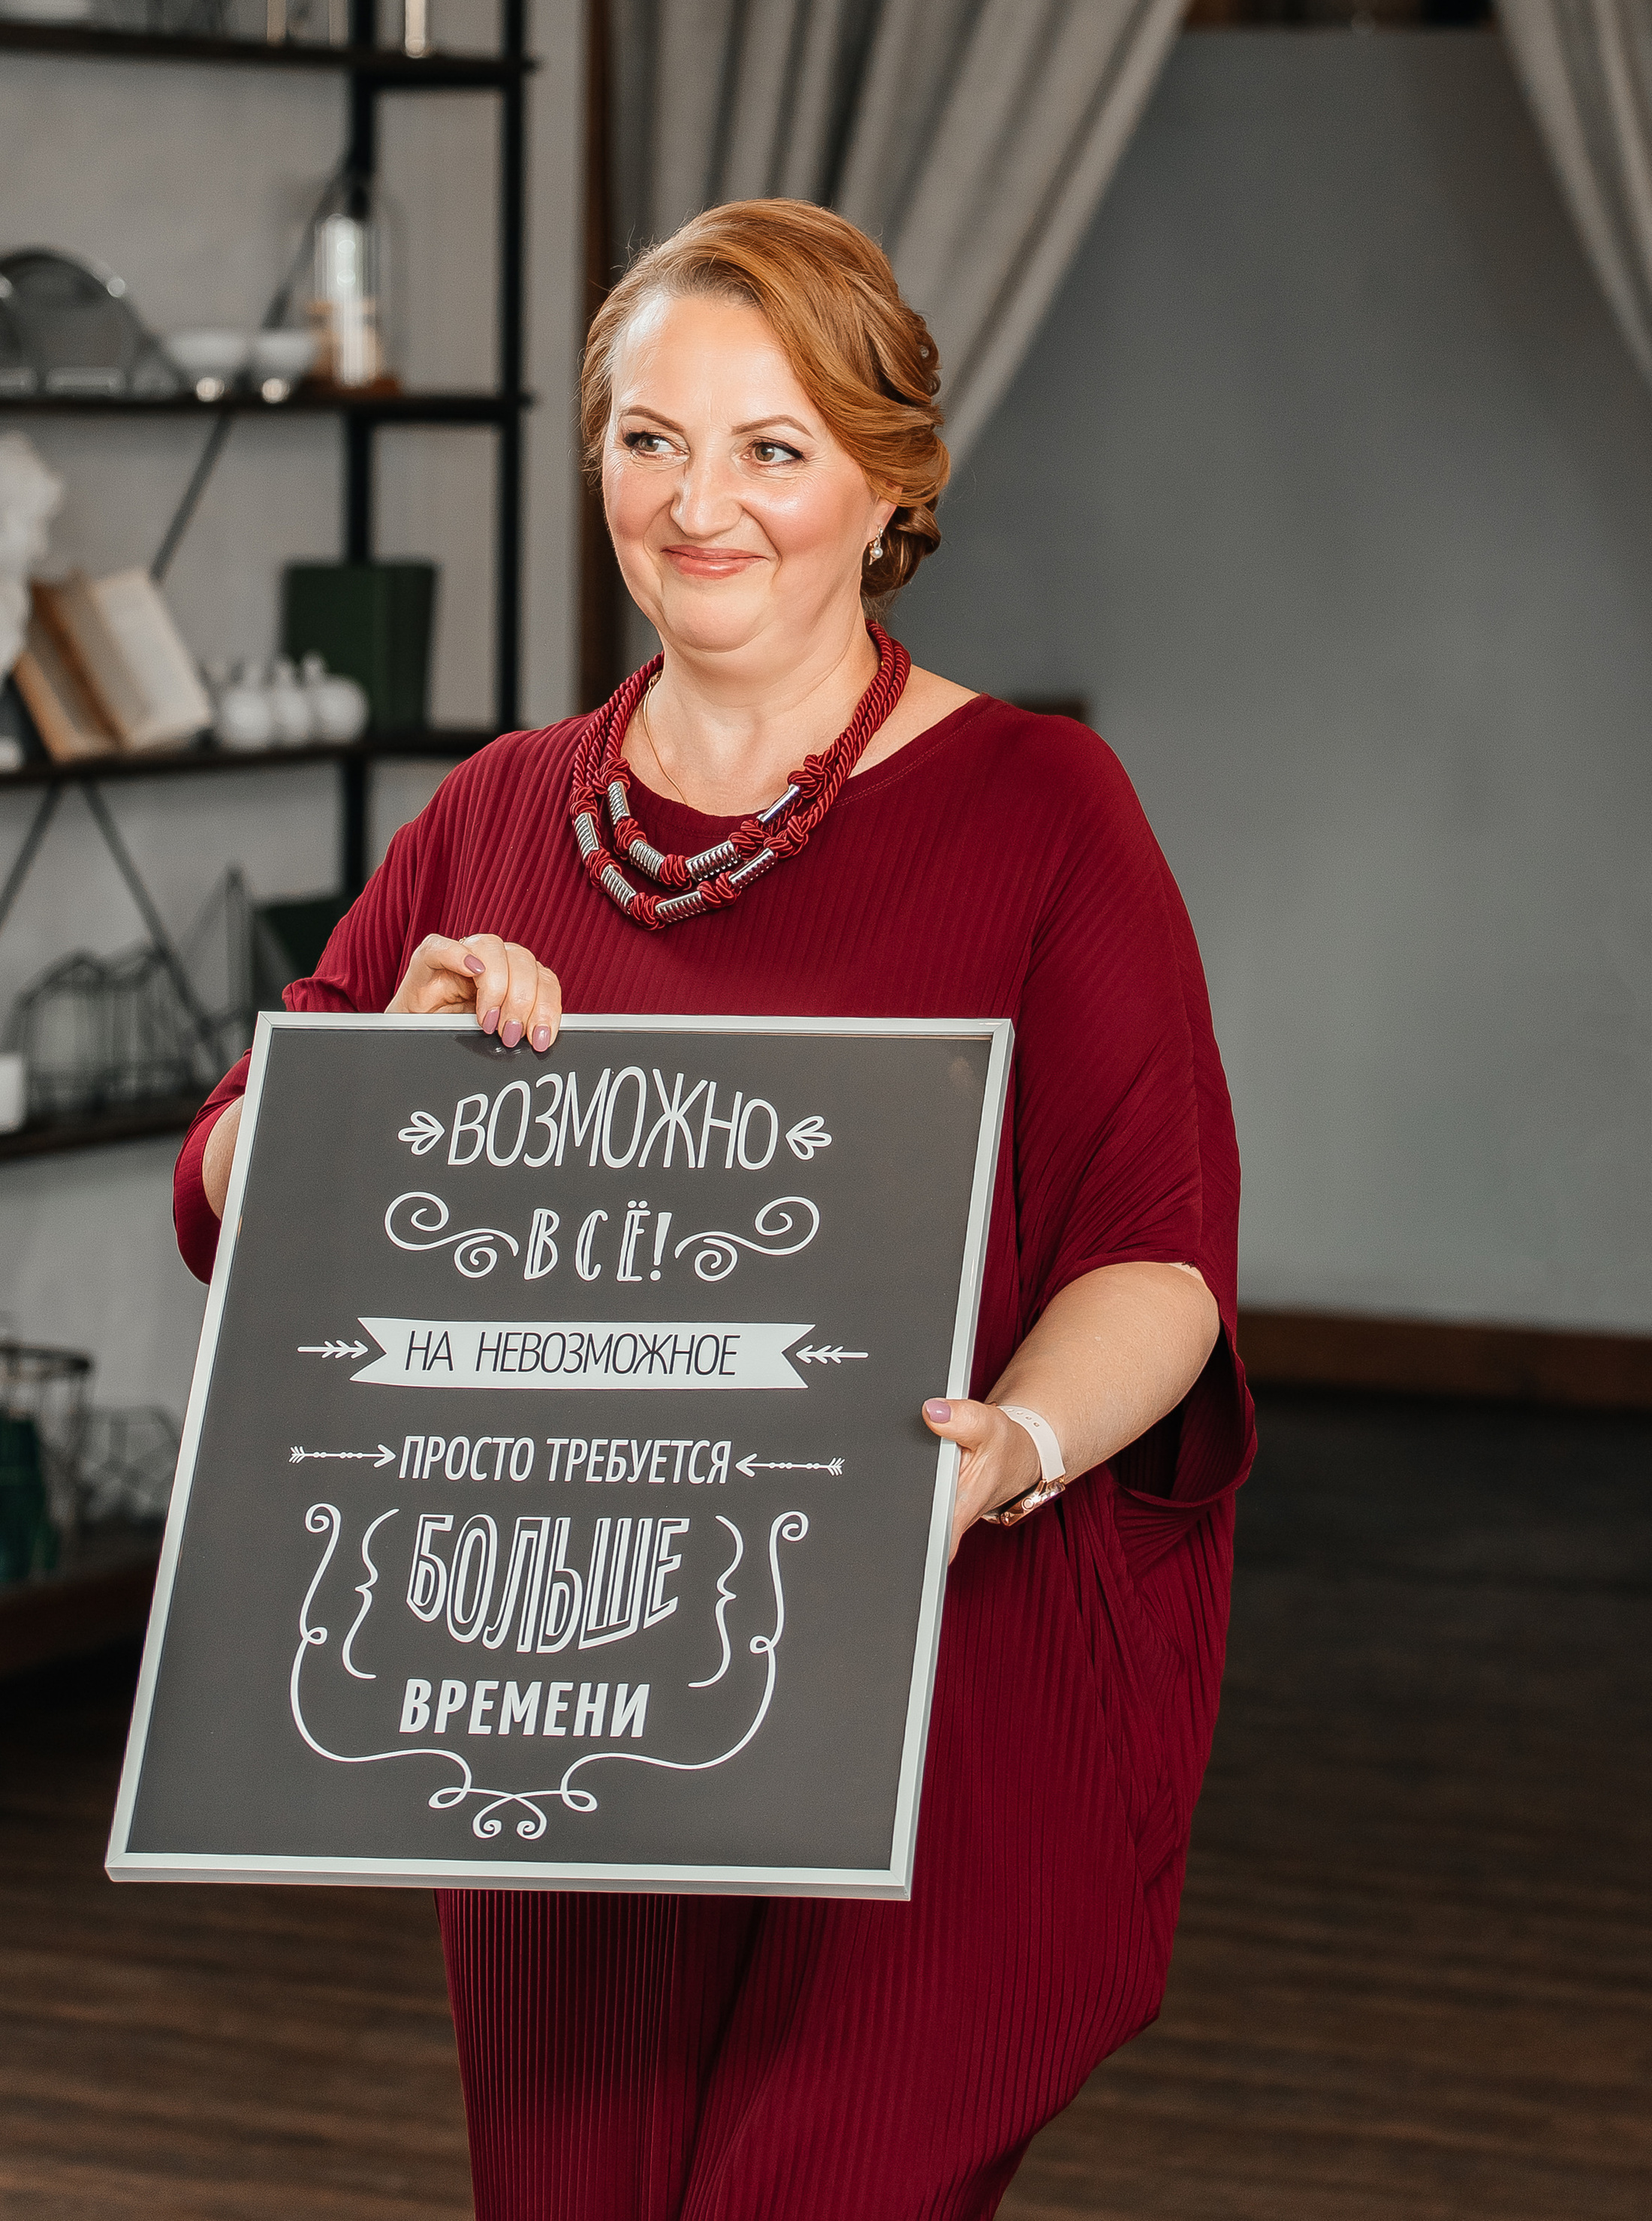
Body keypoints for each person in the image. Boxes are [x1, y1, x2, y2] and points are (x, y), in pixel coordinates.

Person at [174, 198, 1253, 2219]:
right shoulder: (493, 816)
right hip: (565, 1713)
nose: (702, 503)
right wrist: (362, 1104)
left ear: (886, 481)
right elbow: (236, 1174)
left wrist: (994, 1460)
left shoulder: (1043, 812)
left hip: (954, 1698)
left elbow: (1160, 1262)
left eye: (772, 446)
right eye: (651, 437)